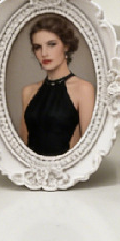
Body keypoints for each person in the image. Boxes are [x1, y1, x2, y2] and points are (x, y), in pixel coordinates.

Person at [20, 14, 95, 156]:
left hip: (68, 168)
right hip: (32, 168)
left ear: (66, 46)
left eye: (51, 44)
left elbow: (88, 150)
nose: (44, 53)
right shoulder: (28, 92)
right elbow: (23, 147)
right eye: (37, 47)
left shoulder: (83, 89)